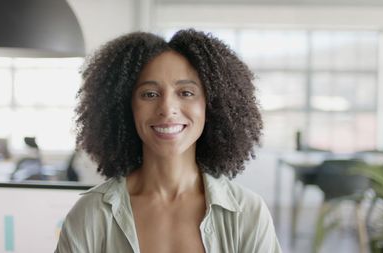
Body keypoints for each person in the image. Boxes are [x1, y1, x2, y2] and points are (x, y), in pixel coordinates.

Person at [55, 29, 282, 253]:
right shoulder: (91, 214)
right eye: (150, 94)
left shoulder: (247, 212)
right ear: (126, 107)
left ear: (212, 105)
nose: (167, 109)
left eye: (185, 93)